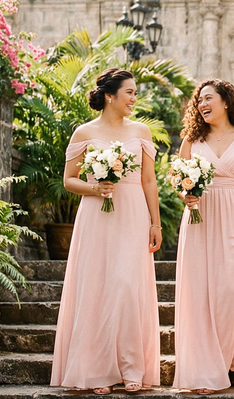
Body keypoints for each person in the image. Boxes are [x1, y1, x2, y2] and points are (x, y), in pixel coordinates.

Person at [51, 68, 162, 395]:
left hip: (132, 214)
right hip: (96, 215)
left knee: (128, 286)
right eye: (129, 92)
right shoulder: (84, 133)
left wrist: (155, 223)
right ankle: (96, 370)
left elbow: (149, 180)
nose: (134, 98)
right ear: (110, 95)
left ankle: (131, 366)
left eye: (135, 92)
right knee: (98, 287)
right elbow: (68, 179)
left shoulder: (141, 130)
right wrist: (94, 188)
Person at [173, 79, 234, 394]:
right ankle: (205, 368)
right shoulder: (191, 141)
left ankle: (224, 356)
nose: (201, 104)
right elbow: (180, 181)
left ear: (226, 102)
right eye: (198, 100)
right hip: (200, 219)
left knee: (231, 291)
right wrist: (186, 196)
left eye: (207, 98)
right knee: (199, 293)